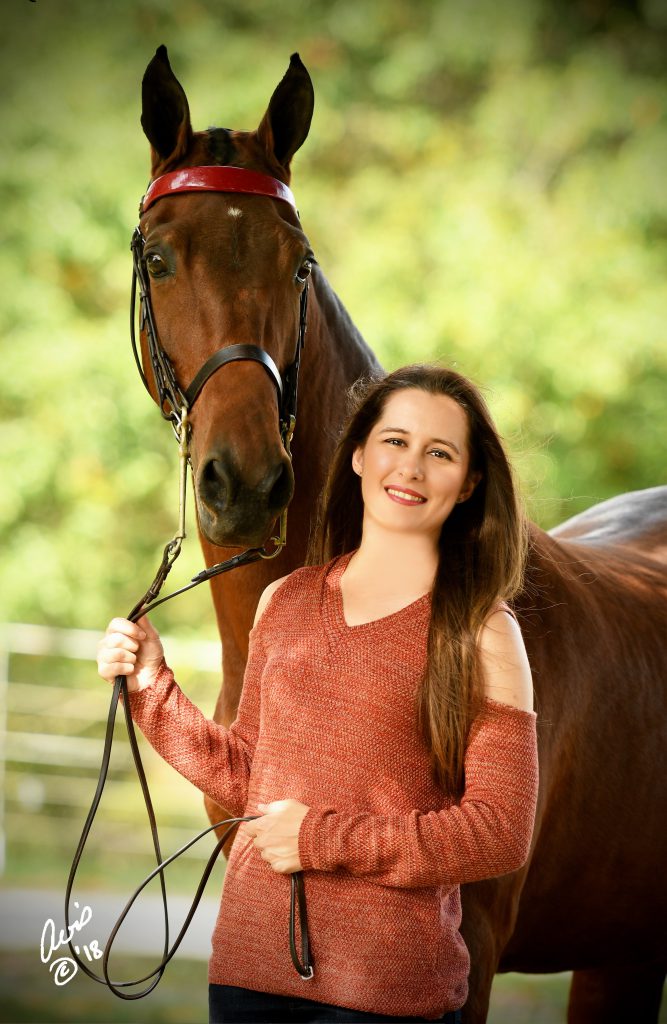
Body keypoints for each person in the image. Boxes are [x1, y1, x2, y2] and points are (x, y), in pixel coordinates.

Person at [97, 364, 539, 1024]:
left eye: (438, 452)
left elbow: (499, 833)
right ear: (358, 454)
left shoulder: (481, 630)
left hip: (384, 995)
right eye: (394, 441)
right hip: (247, 976)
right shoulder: (287, 601)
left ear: (470, 482)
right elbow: (249, 773)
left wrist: (323, 840)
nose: (410, 468)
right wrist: (150, 687)